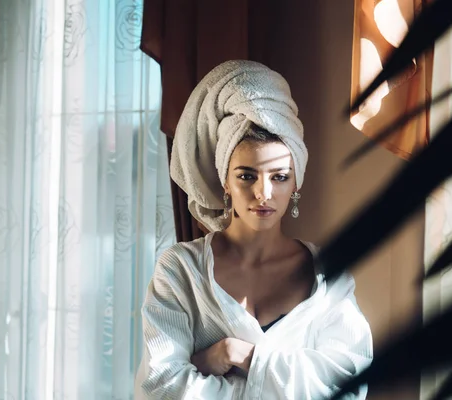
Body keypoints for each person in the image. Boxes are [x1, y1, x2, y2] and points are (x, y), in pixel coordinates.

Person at [134, 60, 373, 399]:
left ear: (296, 184)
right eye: (247, 176)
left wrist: (239, 356)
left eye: (279, 177)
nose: (264, 193)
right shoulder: (180, 271)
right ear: (226, 182)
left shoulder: (327, 276)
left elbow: (348, 383)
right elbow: (161, 387)